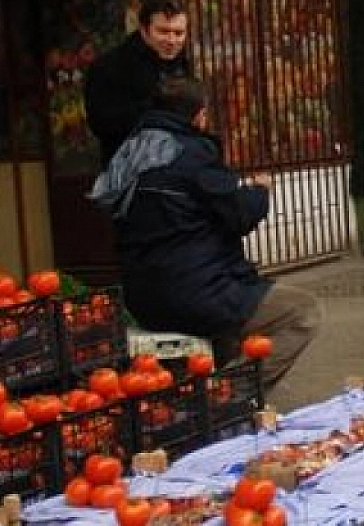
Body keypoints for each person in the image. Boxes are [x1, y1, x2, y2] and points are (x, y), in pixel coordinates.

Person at [90, 77, 319, 398]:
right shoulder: (192, 153)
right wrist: (260, 191)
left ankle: (217, 400)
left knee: (232, 330)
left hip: (142, 297)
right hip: (196, 294)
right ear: (199, 116)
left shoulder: (128, 153)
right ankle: (225, 399)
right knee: (302, 311)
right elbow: (240, 214)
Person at [85, 0, 192, 165]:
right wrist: (157, 107)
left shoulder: (181, 64)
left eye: (179, 33)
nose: (172, 41)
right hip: (130, 170)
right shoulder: (110, 67)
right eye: (163, 31)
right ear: (144, 30)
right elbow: (101, 123)